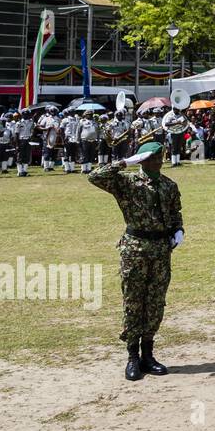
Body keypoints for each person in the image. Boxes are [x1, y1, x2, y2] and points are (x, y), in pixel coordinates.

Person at [88, 141, 184, 381]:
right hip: (135, 249)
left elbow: (175, 215)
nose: (158, 162)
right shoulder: (127, 182)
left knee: (155, 303)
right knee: (133, 302)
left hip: (161, 249)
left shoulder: (168, 185)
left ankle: (148, 354)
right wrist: (125, 162)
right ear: (142, 160)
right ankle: (132, 356)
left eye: (160, 157)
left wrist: (178, 231)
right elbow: (95, 176)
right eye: (153, 158)